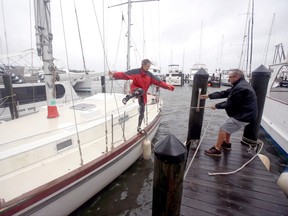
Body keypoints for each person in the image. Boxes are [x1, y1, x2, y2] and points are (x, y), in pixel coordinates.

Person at [200, 69, 258, 157]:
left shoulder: (240, 87)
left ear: (236, 77)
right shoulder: (239, 85)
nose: (228, 79)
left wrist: (216, 106)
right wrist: (209, 96)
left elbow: (230, 103)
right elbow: (226, 93)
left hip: (244, 116)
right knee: (228, 127)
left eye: (230, 77)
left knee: (223, 128)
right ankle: (226, 144)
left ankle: (217, 149)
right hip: (244, 113)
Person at [109, 59, 175, 132]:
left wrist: (168, 87)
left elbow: (159, 82)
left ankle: (139, 127)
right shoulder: (135, 72)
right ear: (143, 65)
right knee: (141, 90)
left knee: (142, 111)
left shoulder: (150, 75)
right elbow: (124, 75)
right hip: (135, 89)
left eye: (149, 66)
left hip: (143, 94)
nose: (148, 68)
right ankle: (127, 97)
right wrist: (114, 74)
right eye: (147, 66)